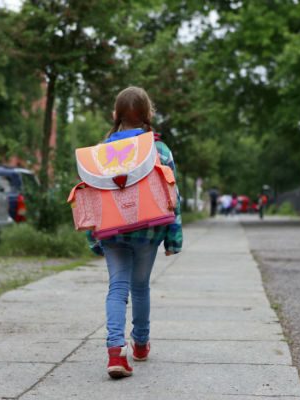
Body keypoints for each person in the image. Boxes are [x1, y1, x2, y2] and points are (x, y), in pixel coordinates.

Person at [86, 86, 183, 379]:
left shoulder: (100, 153)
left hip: (112, 231)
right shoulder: (160, 150)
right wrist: (174, 238)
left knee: (117, 288)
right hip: (148, 230)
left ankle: (116, 352)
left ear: (115, 115)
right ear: (148, 113)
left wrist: (94, 236)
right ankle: (140, 344)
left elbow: (93, 198)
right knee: (140, 287)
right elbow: (172, 196)